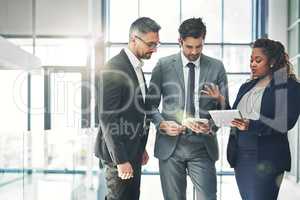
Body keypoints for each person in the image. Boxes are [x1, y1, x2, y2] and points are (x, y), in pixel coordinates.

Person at [147, 17, 229, 200]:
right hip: (170, 146)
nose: (194, 52)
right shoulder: (163, 66)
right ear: (180, 41)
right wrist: (162, 124)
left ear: (203, 41)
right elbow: (149, 105)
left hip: (203, 147)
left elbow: (225, 109)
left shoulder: (217, 67)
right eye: (189, 47)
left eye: (199, 47)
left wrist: (211, 125)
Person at [213, 38, 300, 200]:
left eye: (258, 60)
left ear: (272, 61)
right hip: (242, 157)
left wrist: (250, 125)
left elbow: (285, 122)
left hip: (268, 158)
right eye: (251, 60)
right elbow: (237, 117)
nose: (252, 64)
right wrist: (221, 100)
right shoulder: (247, 87)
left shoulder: (288, 86)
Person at [94, 17, 161, 200]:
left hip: (132, 151)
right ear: (133, 39)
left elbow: (136, 112)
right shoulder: (114, 68)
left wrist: (141, 147)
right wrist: (121, 160)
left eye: (156, 44)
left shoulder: (136, 67)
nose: (154, 49)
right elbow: (108, 118)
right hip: (119, 155)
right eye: (150, 44)